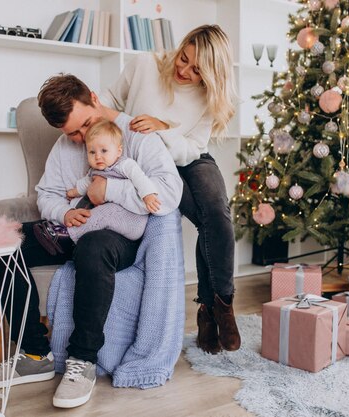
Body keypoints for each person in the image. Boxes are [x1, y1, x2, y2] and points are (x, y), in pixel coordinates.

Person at [0, 74, 182, 409]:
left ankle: (82, 361)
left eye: (85, 124)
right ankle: (34, 354)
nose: (82, 137)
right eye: (72, 132)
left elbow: (169, 193)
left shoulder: (137, 134)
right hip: (71, 227)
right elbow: (47, 195)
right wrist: (63, 213)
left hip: (116, 234)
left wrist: (109, 189)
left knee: (93, 246)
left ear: (94, 98)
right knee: (1, 242)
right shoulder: (64, 146)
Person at [100, 24, 241, 354]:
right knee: (205, 221)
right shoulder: (144, 65)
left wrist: (163, 129)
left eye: (196, 71)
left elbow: (193, 147)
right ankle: (207, 311)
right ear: (181, 47)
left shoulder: (209, 96)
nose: (184, 70)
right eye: (184, 58)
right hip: (151, 161)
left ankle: (221, 306)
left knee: (218, 214)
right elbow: (110, 99)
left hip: (188, 156)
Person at [33, 119, 161, 254]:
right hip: (110, 225)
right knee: (92, 213)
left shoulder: (125, 165)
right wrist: (74, 192)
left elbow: (140, 179)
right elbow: (87, 183)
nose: (98, 156)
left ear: (118, 151)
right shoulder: (95, 171)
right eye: (92, 152)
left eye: (104, 151)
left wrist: (148, 195)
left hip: (132, 220)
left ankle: (66, 237)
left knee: (105, 211)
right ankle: (61, 231)